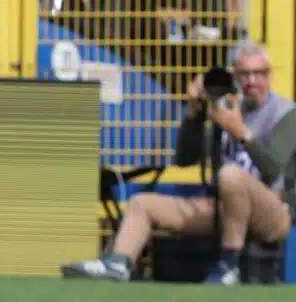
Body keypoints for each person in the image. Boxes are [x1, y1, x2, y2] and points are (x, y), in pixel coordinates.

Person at [61, 42, 296, 285]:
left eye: (259, 74)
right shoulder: (226, 108)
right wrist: (194, 114)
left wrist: (241, 133)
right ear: (234, 76)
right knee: (143, 203)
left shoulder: (285, 113)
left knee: (231, 175)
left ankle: (228, 267)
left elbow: (274, 169)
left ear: (270, 75)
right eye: (245, 74)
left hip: (273, 212)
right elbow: (185, 160)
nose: (252, 81)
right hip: (223, 209)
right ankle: (118, 264)